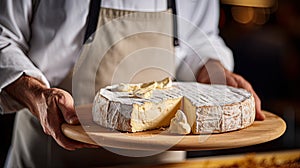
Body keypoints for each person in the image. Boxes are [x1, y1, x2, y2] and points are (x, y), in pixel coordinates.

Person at [0, 0, 265, 167]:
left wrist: (213, 70)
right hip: (55, 154)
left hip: (162, 160)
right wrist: (38, 95)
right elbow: (4, 39)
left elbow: (200, 37)